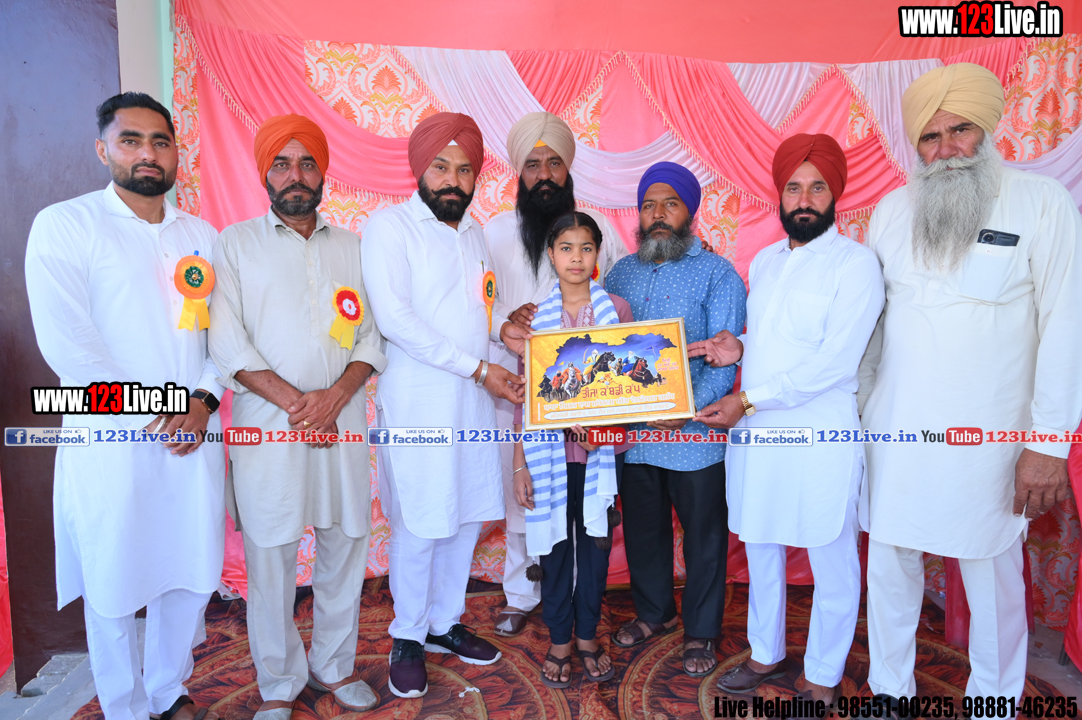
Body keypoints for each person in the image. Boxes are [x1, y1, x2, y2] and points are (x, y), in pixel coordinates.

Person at [857, 63, 1082, 705]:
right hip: (896, 430)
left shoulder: (1041, 202)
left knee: (992, 575)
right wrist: (860, 417)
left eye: (961, 130)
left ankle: (995, 700)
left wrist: (1048, 443)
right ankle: (889, 691)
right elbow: (874, 330)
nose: (947, 149)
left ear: (987, 128)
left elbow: (1066, 325)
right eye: (931, 137)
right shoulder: (891, 212)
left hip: (992, 439)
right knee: (890, 564)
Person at [25, 92, 224, 720]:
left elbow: (225, 338)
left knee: (189, 569)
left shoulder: (200, 235)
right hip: (111, 436)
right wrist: (156, 412)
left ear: (176, 152)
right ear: (102, 149)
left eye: (160, 141)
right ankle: (124, 707)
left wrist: (204, 400)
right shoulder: (66, 224)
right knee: (112, 578)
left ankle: (168, 689)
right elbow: (69, 344)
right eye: (130, 140)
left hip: (194, 432)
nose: (147, 153)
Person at [694, 134, 884, 703]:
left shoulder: (856, 265)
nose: (804, 199)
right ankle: (765, 651)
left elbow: (833, 363)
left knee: (831, 552)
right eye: (794, 188)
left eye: (817, 188)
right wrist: (739, 347)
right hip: (759, 431)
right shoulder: (767, 261)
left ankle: (823, 674)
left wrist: (748, 400)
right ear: (779, 195)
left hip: (818, 431)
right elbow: (776, 341)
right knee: (760, 540)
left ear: (835, 195)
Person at [209, 114, 386, 718]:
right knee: (271, 555)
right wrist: (299, 405)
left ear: (323, 172)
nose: (295, 175)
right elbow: (227, 343)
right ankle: (280, 682)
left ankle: (334, 666)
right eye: (281, 164)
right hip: (268, 429)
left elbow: (371, 337)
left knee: (346, 545)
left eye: (307, 162)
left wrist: (334, 399)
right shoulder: (234, 243)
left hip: (343, 422)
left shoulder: (352, 248)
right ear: (265, 173)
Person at [362, 112, 530, 699]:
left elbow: (474, 314)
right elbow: (397, 321)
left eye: (464, 170)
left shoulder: (475, 234)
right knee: (421, 522)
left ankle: (444, 623)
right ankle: (407, 635)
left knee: (464, 516)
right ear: (420, 169)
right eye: (441, 167)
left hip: (474, 402)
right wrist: (482, 369)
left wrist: (501, 335)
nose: (453, 180)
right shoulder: (390, 228)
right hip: (420, 405)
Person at [485, 112, 629, 637]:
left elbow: (615, 313)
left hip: (588, 398)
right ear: (518, 172)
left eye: (553, 163)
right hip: (514, 385)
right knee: (523, 491)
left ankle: (577, 600)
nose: (543, 175)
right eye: (532, 165)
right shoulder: (493, 233)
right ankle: (520, 593)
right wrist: (505, 323)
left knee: (580, 501)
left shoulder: (596, 231)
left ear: (568, 169)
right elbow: (479, 307)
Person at [604, 162, 747, 677]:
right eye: (649, 206)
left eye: (670, 204)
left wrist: (684, 409)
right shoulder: (619, 273)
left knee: (704, 535)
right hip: (636, 435)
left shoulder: (718, 273)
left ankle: (701, 631)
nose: (658, 214)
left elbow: (725, 355)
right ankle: (654, 613)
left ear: (690, 212)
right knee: (644, 529)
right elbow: (606, 350)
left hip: (694, 434)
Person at [511, 212, 633, 687]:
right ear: (551, 254)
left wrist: (600, 431)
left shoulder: (616, 311)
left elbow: (629, 387)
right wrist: (520, 465)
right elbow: (525, 399)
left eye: (586, 248)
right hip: (549, 458)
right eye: (566, 247)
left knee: (596, 550)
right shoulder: (536, 319)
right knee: (556, 551)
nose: (576, 258)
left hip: (598, 458)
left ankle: (586, 635)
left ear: (597, 254)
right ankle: (560, 638)